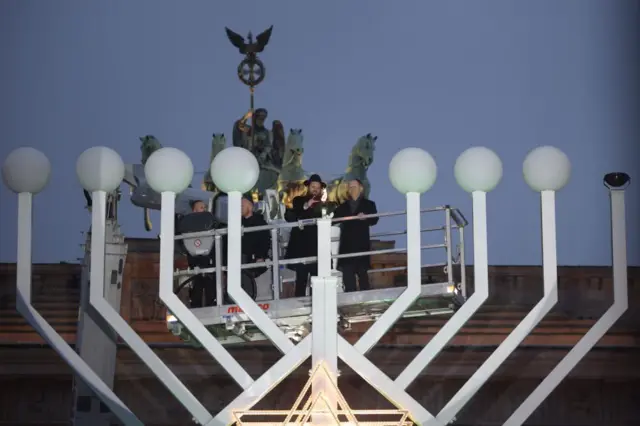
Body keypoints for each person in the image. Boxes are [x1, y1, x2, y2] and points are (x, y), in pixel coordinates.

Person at [332, 179, 379, 292]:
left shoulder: (369, 204)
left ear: (361, 188)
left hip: (361, 245)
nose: (352, 189)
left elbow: (375, 219)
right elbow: (334, 221)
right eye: (350, 187)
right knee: (348, 279)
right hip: (347, 247)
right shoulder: (342, 207)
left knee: (363, 276)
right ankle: (349, 303)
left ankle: (365, 302)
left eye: (354, 186)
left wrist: (366, 217)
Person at [284, 174, 326, 297]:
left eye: (317, 187)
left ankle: (317, 303)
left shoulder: (323, 203)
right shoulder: (298, 200)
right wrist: (307, 205)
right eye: (313, 186)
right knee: (301, 279)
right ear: (308, 187)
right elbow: (295, 214)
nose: (315, 189)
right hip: (301, 247)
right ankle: (299, 304)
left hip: (317, 246)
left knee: (316, 279)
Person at [240, 194, 270, 278]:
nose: (239, 208)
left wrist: (260, 256)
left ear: (250, 206)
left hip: (255, 263)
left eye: (242, 205)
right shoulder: (237, 223)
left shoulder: (260, 222)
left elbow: (265, 241)